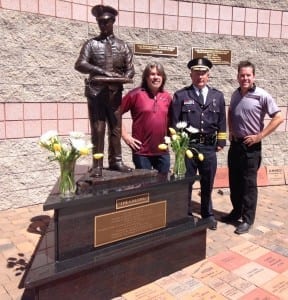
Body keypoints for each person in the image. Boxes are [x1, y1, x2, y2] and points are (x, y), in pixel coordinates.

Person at [222, 60, 284, 234]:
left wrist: (259, 136)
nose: (245, 78)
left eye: (248, 75)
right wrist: (231, 130)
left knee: (249, 184)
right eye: (242, 75)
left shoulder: (262, 95)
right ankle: (236, 212)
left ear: (253, 76)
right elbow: (230, 111)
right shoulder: (235, 94)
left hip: (251, 147)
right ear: (237, 77)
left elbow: (278, 117)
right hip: (235, 146)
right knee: (234, 181)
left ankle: (247, 219)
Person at [74, 5, 135, 177]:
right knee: (98, 129)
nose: (102, 25)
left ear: (113, 22)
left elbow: (130, 70)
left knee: (115, 128)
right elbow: (80, 64)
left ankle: (116, 161)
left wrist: (125, 77)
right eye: (100, 22)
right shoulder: (91, 44)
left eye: (106, 22)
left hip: (115, 94)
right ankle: (97, 165)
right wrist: (101, 71)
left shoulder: (123, 46)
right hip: (96, 94)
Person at [171, 57, 227, 230]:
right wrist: (178, 147)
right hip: (188, 147)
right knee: (186, 181)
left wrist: (221, 141)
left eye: (203, 73)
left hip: (209, 148)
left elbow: (222, 121)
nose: (200, 77)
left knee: (207, 182)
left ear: (208, 75)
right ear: (191, 74)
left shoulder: (217, 96)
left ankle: (207, 214)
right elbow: (174, 123)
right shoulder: (181, 96)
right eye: (197, 73)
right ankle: (186, 214)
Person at [121, 62, 172, 174]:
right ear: (146, 77)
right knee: (145, 188)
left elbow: (173, 120)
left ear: (163, 78)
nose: (156, 77)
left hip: (162, 151)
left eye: (159, 74)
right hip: (142, 152)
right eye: (152, 74)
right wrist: (125, 136)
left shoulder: (167, 97)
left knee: (163, 187)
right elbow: (115, 113)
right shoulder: (135, 94)